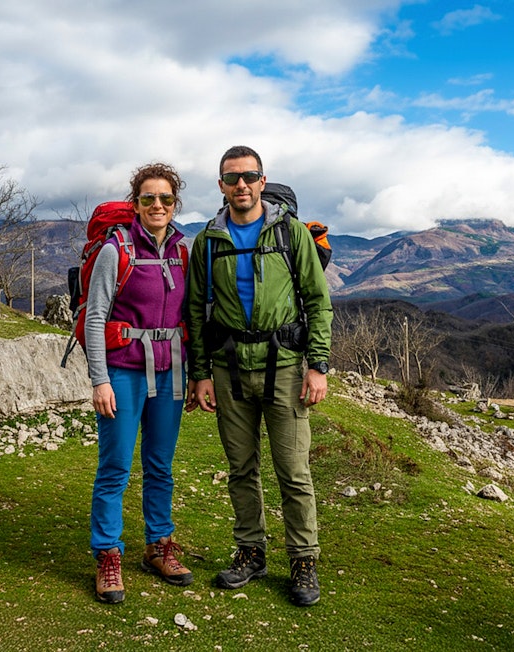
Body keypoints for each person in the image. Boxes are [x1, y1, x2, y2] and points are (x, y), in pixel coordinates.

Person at [186, 145, 333, 607]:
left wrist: (318, 365)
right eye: (232, 178)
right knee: (240, 469)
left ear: (262, 181)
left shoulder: (290, 233)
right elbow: (195, 310)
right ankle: (251, 551)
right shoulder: (207, 241)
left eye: (249, 176)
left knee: (293, 471)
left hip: (287, 368)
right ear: (221, 186)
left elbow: (317, 300)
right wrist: (200, 373)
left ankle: (303, 560)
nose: (241, 185)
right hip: (229, 371)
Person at [86, 162, 192, 604]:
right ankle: (108, 553)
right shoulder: (116, 250)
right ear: (136, 203)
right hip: (123, 372)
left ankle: (158, 545)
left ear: (175, 203)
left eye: (165, 198)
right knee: (115, 467)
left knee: (160, 465)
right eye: (148, 198)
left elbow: (194, 316)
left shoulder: (185, 251)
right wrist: (99, 380)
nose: (157, 205)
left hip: (171, 373)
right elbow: (95, 317)